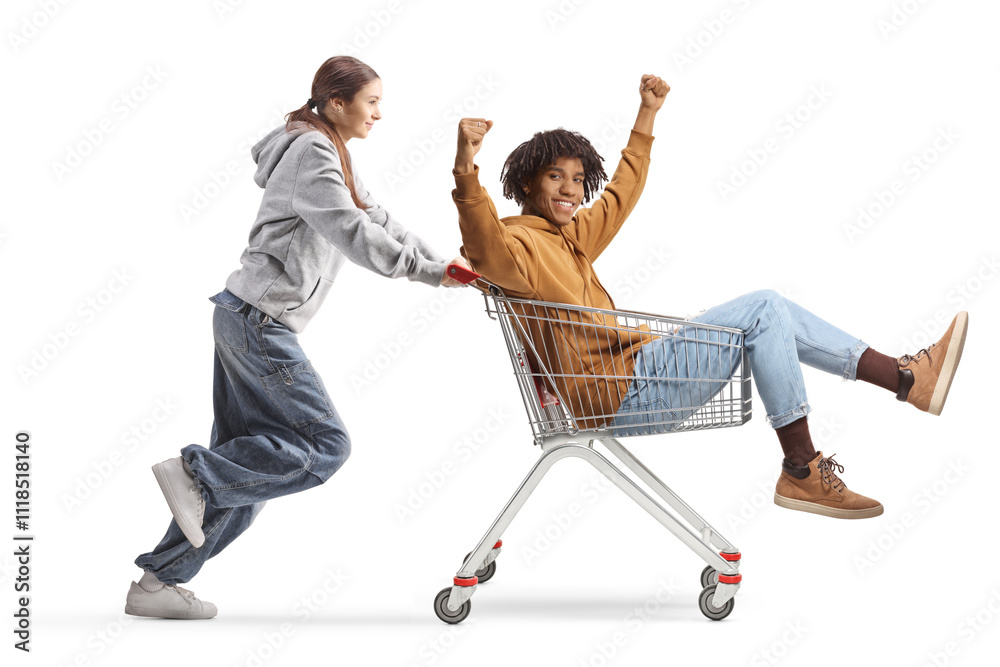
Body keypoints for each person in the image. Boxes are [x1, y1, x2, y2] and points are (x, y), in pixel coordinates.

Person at [450, 73, 967, 523]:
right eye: (555, 177)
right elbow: (483, 244)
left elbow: (620, 195)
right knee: (765, 306)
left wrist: (646, 115)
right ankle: (808, 464)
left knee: (774, 312)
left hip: (640, 370)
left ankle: (903, 381)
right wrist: (466, 169)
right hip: (624, 391)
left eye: (578, 179)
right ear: (525, 182)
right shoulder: (516, 247)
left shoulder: (571, 238)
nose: (570, 189)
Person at [125, 56, 469, 620]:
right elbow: (351, 230)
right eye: (373, 102)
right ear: (338, 103)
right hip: (259, 322)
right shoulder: (312, 152)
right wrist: (428, 272)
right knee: (326, 448)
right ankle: (196, 473)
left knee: (253, 472)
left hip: (247, 317)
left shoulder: (330, 149)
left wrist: (444, 264)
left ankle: (157, 582)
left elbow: (377, 216)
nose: (380, 113)